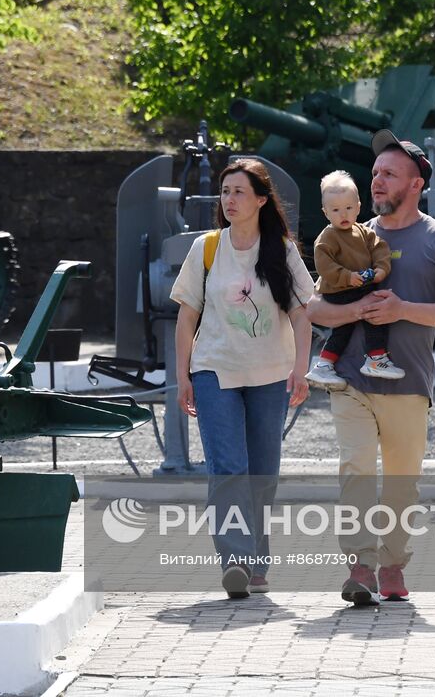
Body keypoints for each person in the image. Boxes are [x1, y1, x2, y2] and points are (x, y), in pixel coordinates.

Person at [305, 130, 435, 606]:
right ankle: (360, 566)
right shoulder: (348, 235)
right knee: (356, 471)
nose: (377, 182)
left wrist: (402, 309)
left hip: (409, 382)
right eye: (375, 173)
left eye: (389, 174)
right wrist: (356, 312)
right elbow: (315, 308)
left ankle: (393, 564)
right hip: (350, 380)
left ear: (416, 182)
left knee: (402, 482)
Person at [171, 158, 314, 599]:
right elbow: (186, 316)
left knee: (263, 472)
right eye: (225, 191)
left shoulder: (282, 251)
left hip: (271, 374)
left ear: (260, 200)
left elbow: (302, 314)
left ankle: (256, 561)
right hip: (215, 370)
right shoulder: (206, 248)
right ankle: (235, 560)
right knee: (230, 467)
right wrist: (183, 377)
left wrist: (300, 369)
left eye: (238, 192)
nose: (229, 199)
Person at [306, 170, 404, 388]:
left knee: (344, 329)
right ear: (325, 212)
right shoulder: (327, 237)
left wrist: (380, 269)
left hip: (358, 285)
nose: (343, 215)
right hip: (338, 289)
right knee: (374, 311)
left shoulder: (363, 231)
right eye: (336, 210)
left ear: (358, 207)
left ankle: (324, 364)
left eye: (349, 208)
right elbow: (324, 265)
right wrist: (347, 277)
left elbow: (380, 249)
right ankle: (376, 357)